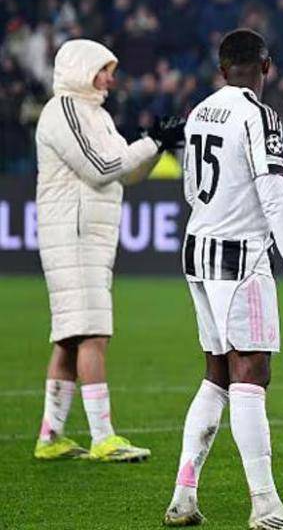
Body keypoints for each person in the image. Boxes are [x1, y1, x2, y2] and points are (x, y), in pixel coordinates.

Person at [163, 29, 283, 529]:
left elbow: (191, 187)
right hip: (239, 255)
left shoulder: (200, 111)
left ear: (221, 68)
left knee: (217, 374)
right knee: (251, 372)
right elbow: (275, 197)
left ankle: (183, 496)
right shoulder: (260, 115)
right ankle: (265, 505)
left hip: (198, 249)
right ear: (266, 65)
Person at [34, 38, 183, 464]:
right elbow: (101, 169)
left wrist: (156, 143)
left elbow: (127, 174)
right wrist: (150, 142)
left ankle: (50, 436)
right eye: (103, 69)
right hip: (74, 233)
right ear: (81, 68)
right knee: (93, 333)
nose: (110, 79)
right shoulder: (64, 110)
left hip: (88, 234)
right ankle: (103, 436)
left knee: (70, 337)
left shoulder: (95, 114)